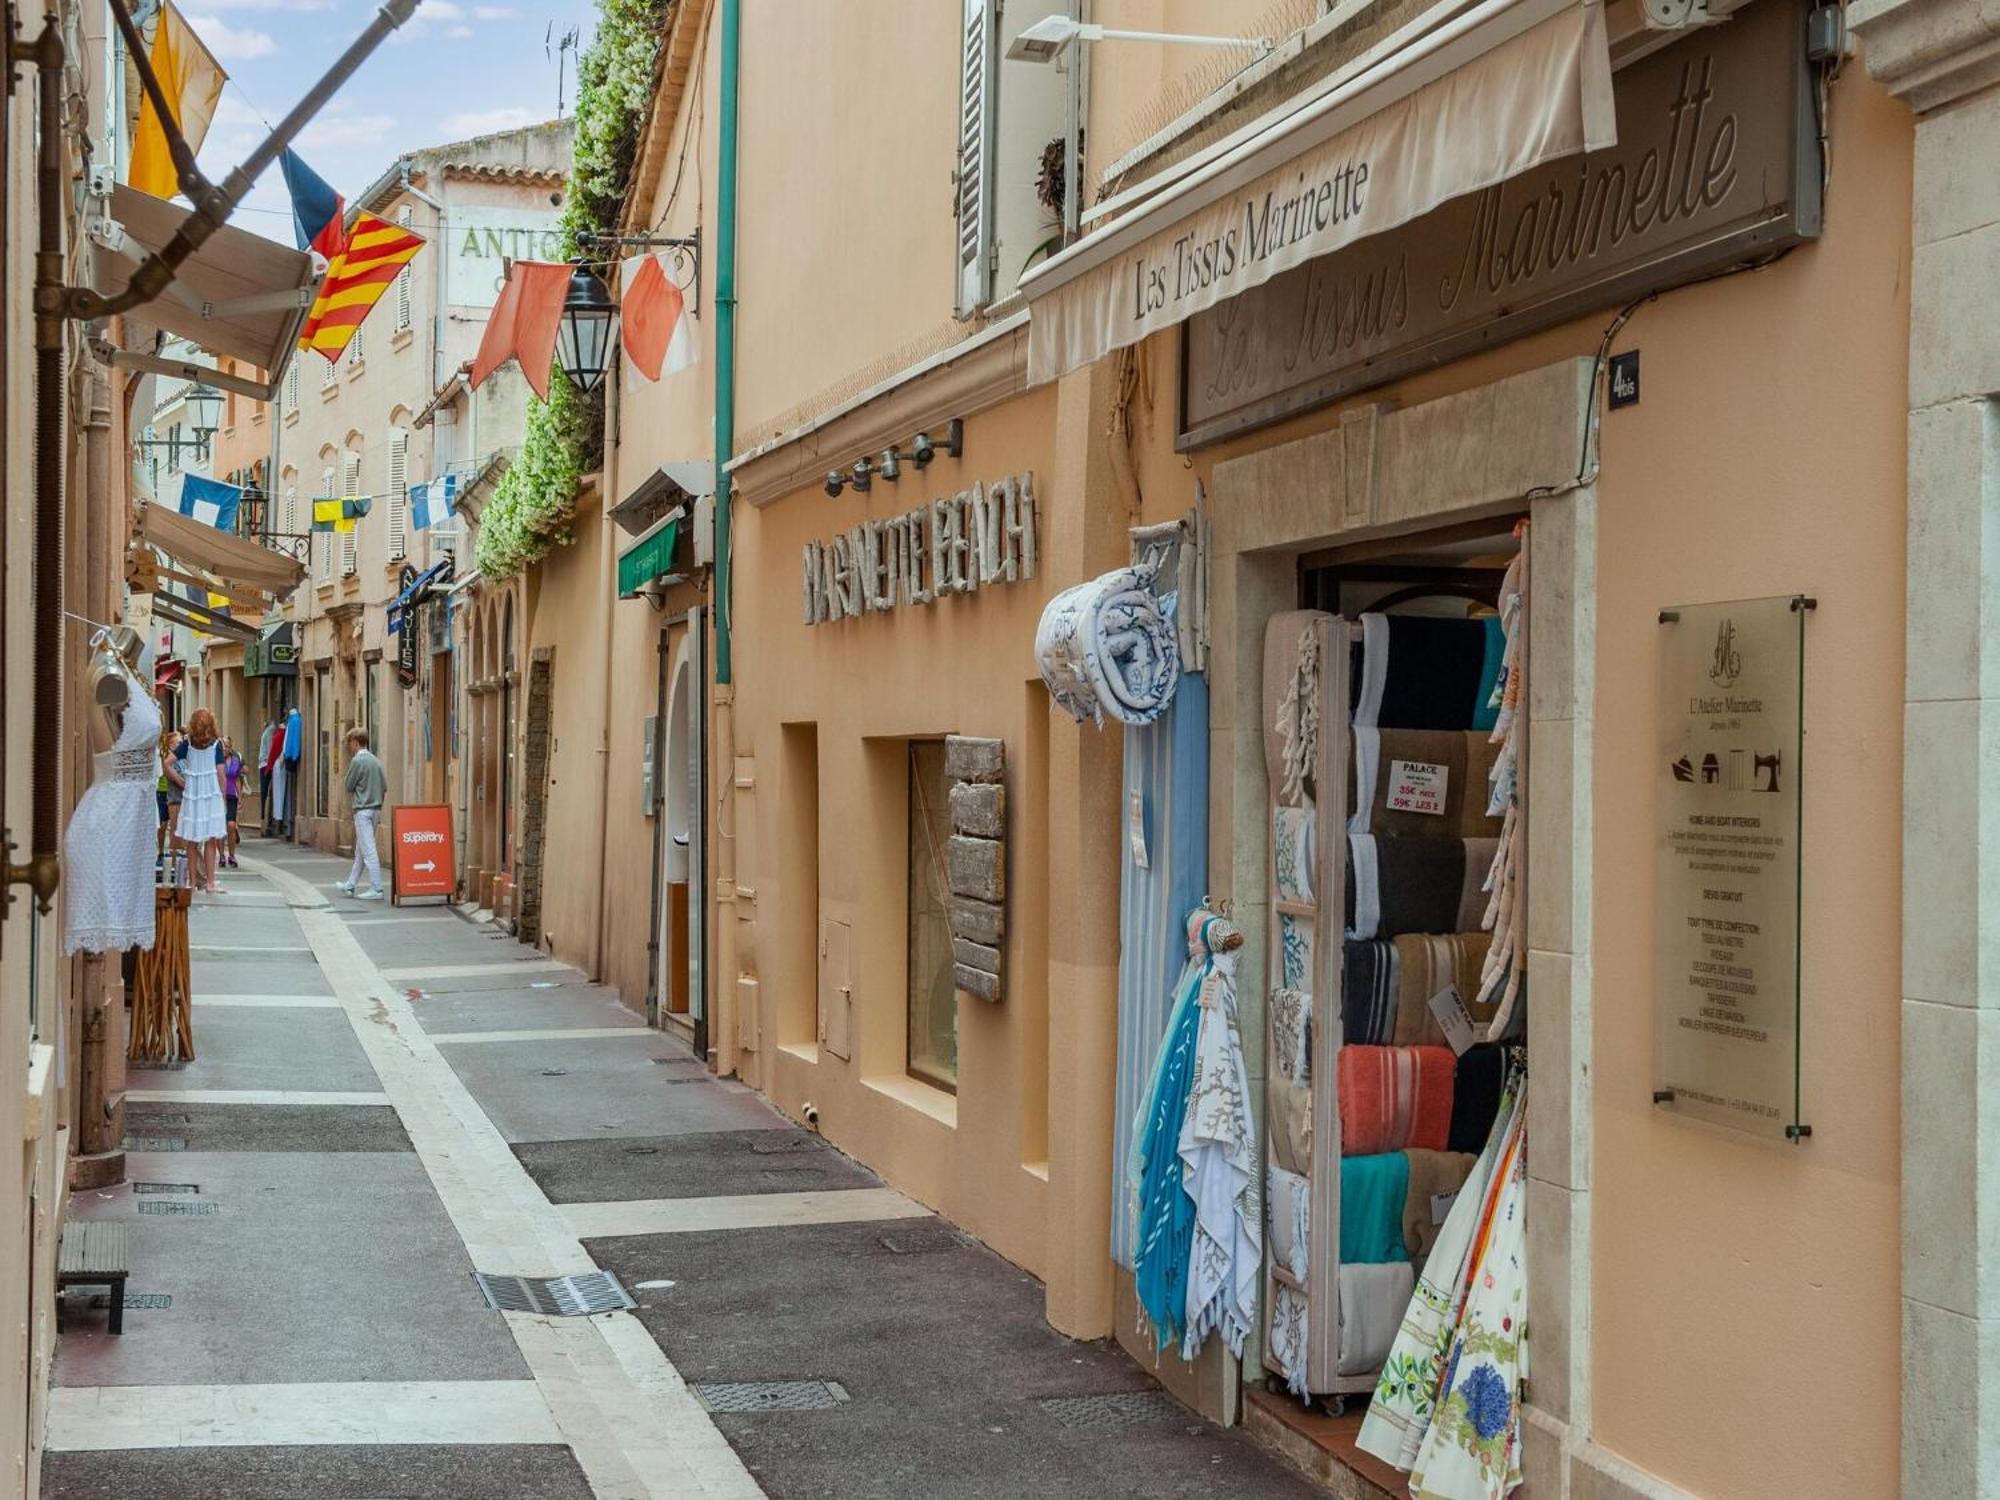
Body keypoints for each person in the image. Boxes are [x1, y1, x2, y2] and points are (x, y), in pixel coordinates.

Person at [173, 710, 229, 893]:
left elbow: (167, 763)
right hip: (211, 795)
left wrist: (181, 781)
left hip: (193, 795)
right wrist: (222, 796)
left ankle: (191, 880)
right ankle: (211, 882)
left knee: (191, 840)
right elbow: (221, 773)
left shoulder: (186, 745)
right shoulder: (216, 745)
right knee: (210, 839)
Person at [336, 727, 388, 900]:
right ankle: (350, 885)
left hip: (363, 810)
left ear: (356, 742)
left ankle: (377, 888)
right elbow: (385, 786)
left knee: (368, 849)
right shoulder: (376, 761)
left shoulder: (357, 761)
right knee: (361, 849)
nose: (349, 747)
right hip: (376, 809)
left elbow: (348, 785)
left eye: (350, 743)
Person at [156, 727, 183, 859]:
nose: (181, 745)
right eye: (178, 742)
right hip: (162, 791)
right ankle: (161, 851)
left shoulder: (181, 757)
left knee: (174, 825)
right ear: (171, 744)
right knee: (163, 825)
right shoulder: (164, 755)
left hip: (174, 794)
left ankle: (173, 855)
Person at [220, 737, 244, 869]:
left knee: (231, 825)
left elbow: (237, 780)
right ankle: (221, 855)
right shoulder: (216, 760)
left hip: (231, 795)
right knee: (220, 828)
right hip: (218, 797)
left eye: (228, 746)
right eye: (223, 746)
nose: (225, 749)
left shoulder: (235, 761)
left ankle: (232, 854)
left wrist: (240, 797)